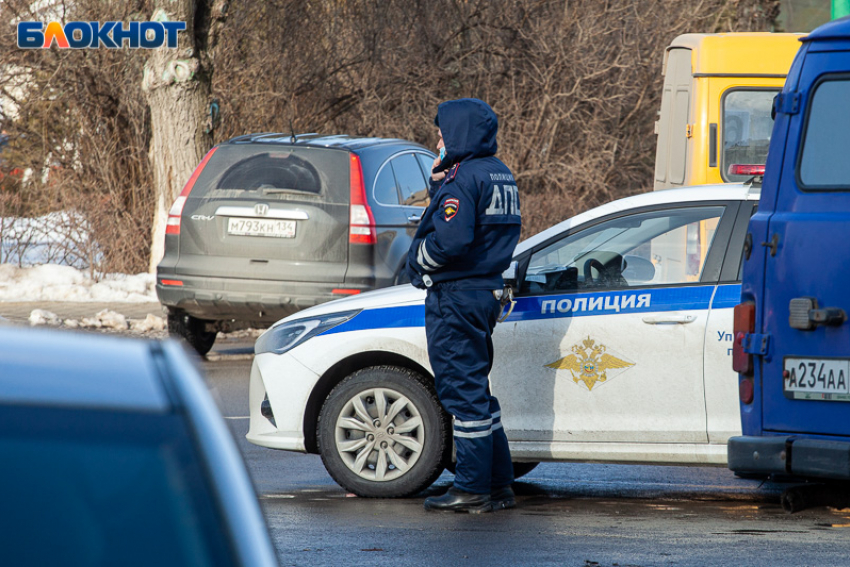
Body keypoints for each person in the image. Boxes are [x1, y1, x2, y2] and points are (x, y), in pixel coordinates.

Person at [407, 98, 521, 513]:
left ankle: (472, 488)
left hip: (456, 295)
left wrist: (419, 260)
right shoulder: (499, 172)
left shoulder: (464, 178)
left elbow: (452, 240)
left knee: (462, 393)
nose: (439, 142)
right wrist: (441, 183)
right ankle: (498, 483)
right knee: (478, 392)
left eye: (442, 135)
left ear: (460, 134)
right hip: (484, 291)